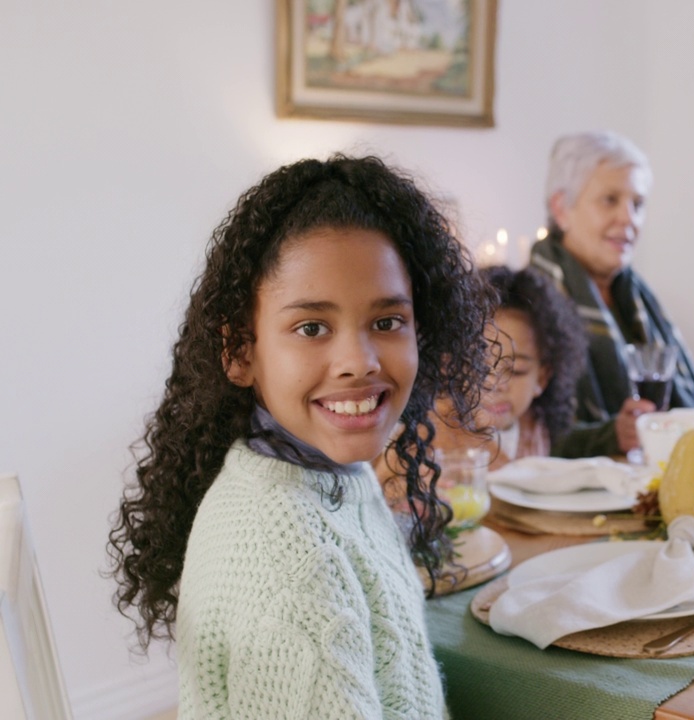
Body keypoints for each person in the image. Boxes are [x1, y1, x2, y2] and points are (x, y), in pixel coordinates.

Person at [106, 155, 493, 718]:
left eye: (387, 322)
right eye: (312, 328)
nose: (357, 362)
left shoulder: (327, 475)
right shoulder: (293, 567)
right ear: (241, 352)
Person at [529, 130, 694, 458]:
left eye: (638, 204)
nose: (629, 219)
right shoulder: (529, 303)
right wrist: (610, 435)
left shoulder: (638, 298)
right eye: (610, 200)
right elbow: (525, 435)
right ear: (561, 209)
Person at [378, 265, 587, 488]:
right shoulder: (420, 440)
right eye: (480, 367)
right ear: (449, 365)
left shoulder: (534, 429)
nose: (495, 384)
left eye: (516, 371)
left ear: (542, 378)